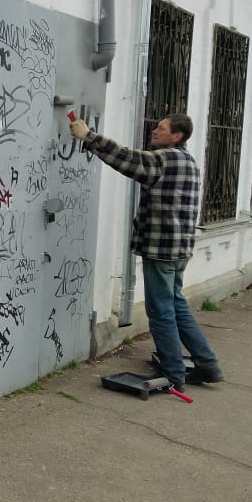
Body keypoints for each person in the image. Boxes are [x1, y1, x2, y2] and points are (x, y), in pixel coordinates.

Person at [68, 112, 224, 391]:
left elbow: (127, 158)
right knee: (176, 305)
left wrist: (88, 136)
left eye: (161, 128)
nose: (155, 130)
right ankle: (207, 365)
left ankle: (173, 374)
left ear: (176, 136)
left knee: (161, 311)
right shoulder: (188, 160)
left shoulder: (164, 160)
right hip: (180, 249)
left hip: (161, 250)